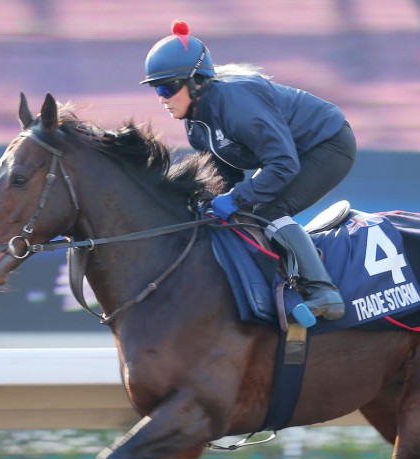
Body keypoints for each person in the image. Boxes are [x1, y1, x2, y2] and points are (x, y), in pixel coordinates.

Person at [141, 20, 354, 322]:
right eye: (156, 89)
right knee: (241, 210)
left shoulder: (237, 104)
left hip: (328, 144)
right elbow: (223, 176)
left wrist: (236, 199)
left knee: (267, 209)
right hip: (291, 155)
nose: (162, 98)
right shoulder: (196, 125)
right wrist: (204, 201)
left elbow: (283, 165)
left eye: (168, 87)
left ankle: (325, 293)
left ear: (196, 82)